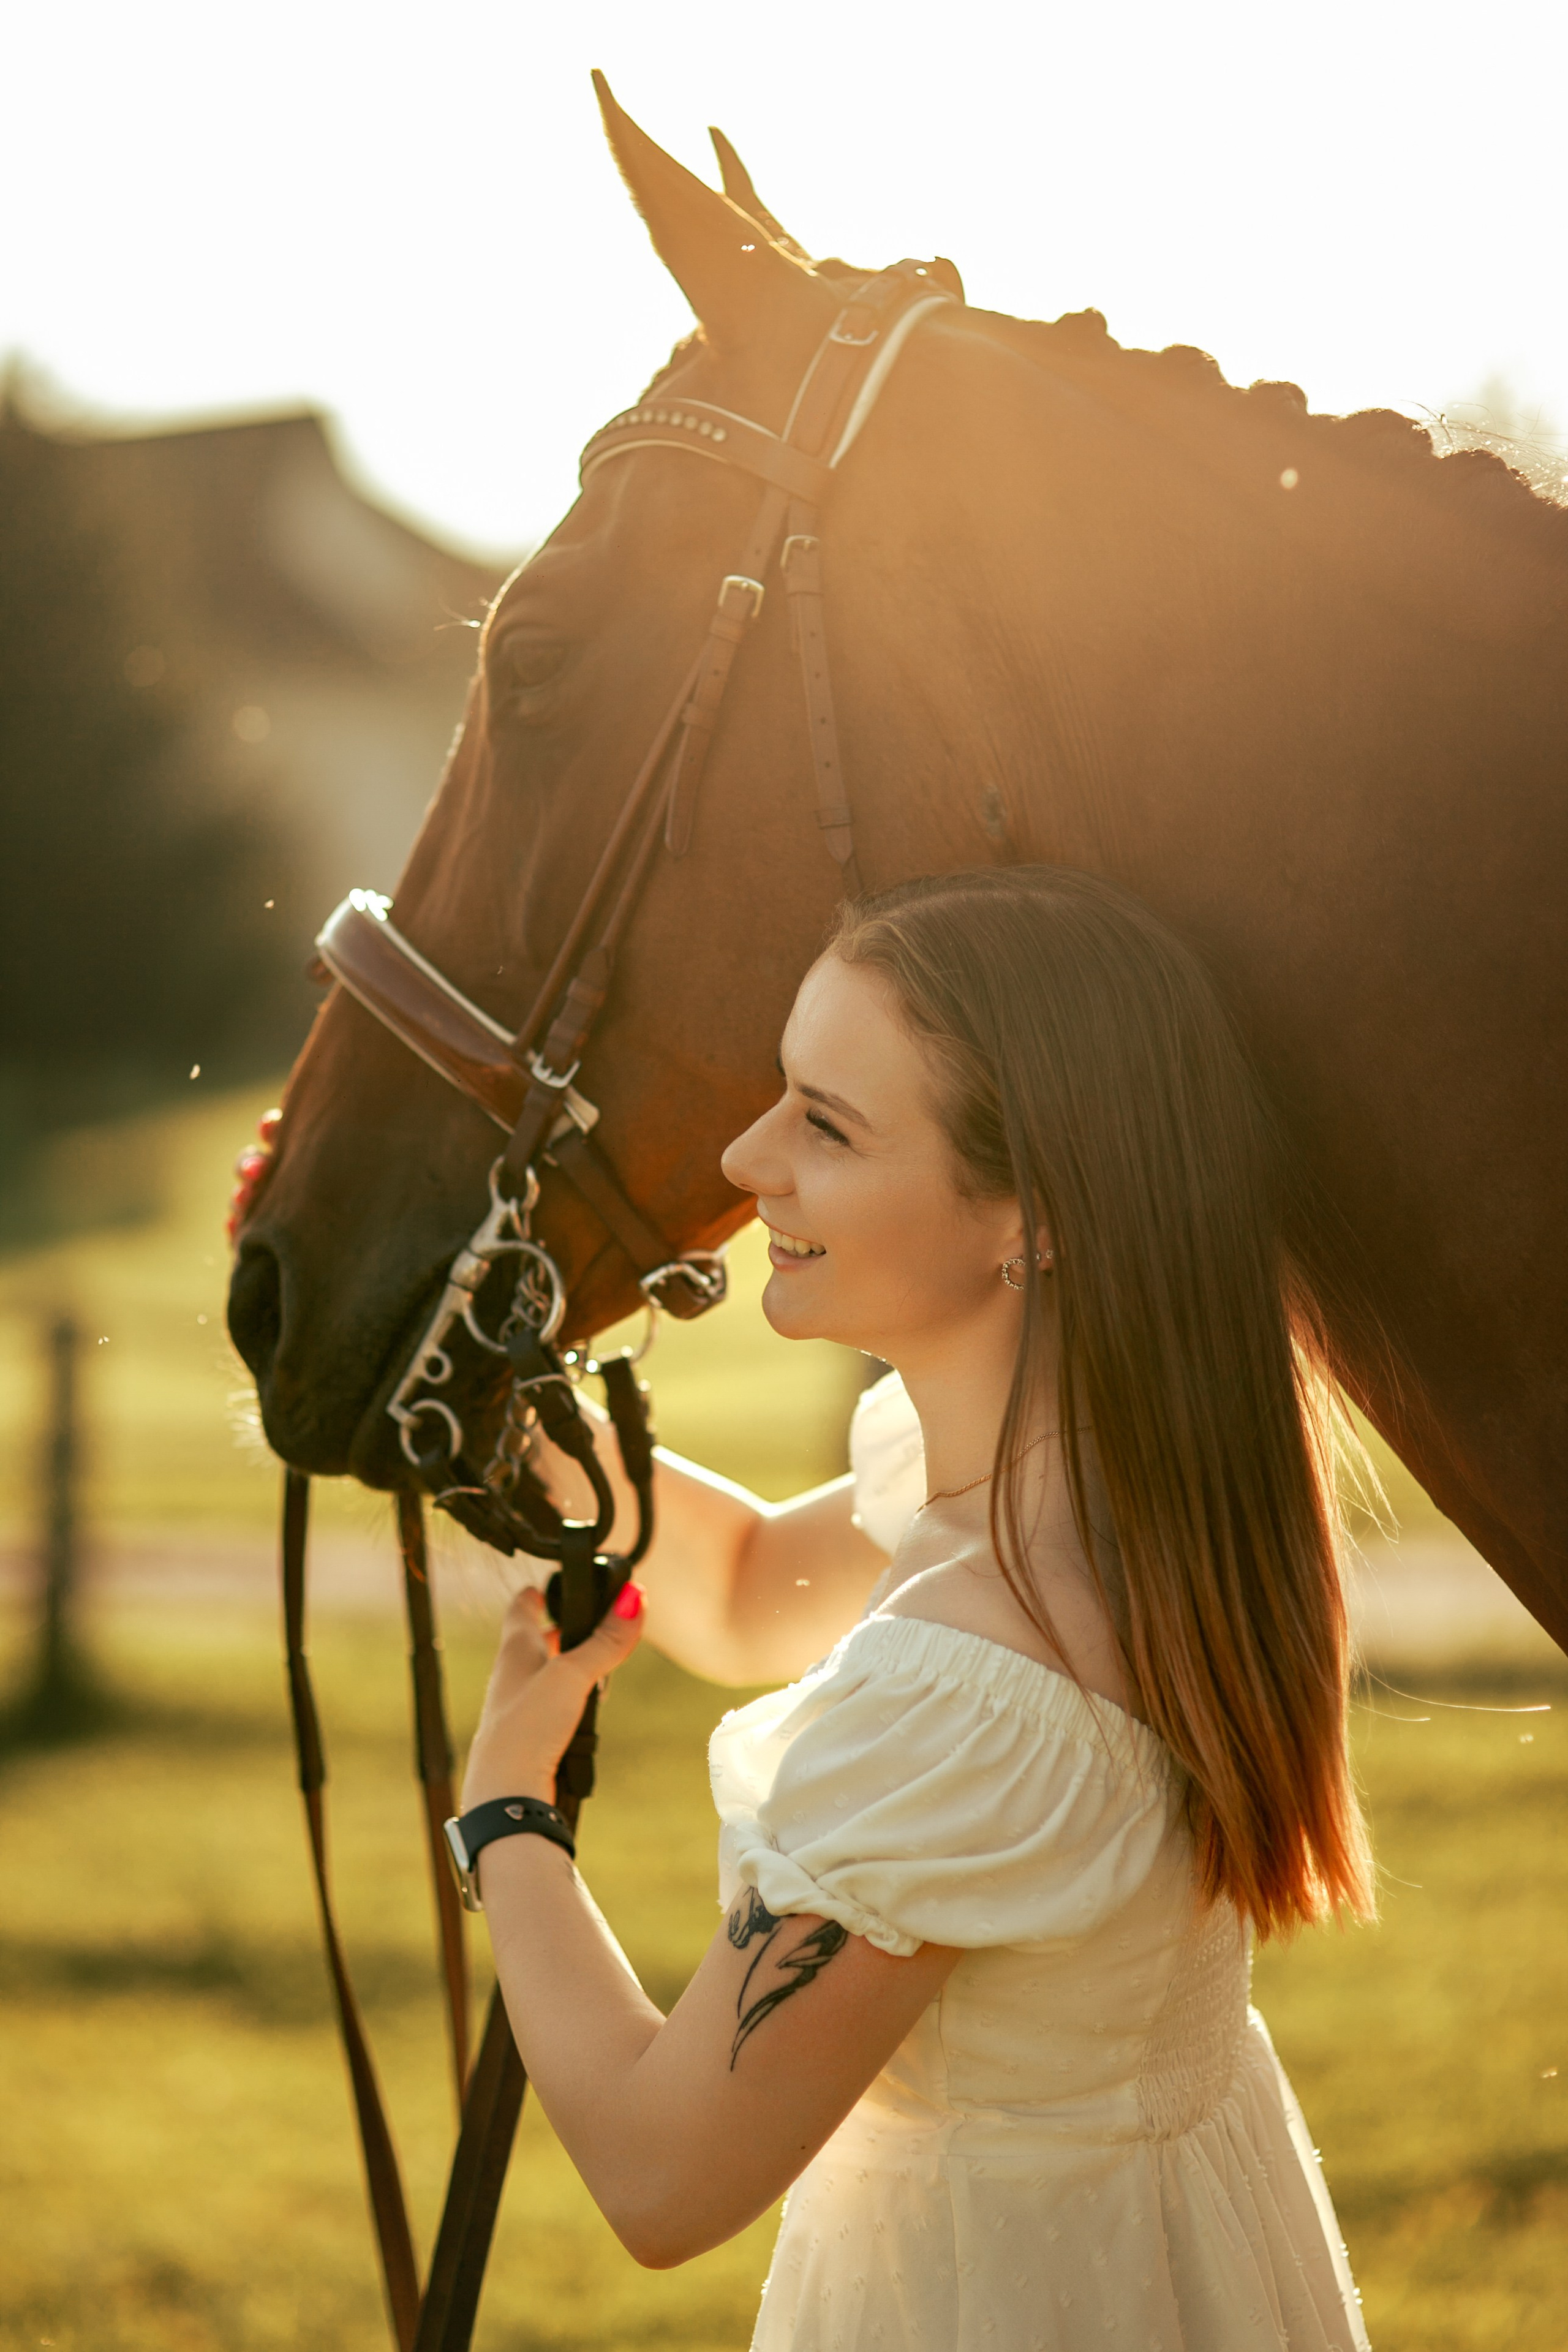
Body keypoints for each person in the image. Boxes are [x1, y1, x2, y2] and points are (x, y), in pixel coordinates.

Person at [460, 866, 1373, 2351]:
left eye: (825, 1124)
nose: (746, 1157)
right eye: (781, 1094)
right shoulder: (1119, 1488)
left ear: (1033, 1215)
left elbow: (658, 2171)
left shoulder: (969, 1690)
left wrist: (506, 1811)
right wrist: (455, 1397)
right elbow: (754, 1588)